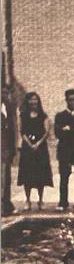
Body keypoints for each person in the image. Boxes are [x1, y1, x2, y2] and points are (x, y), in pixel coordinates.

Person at [17, 91, 53, 210]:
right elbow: (22, 131)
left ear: (38, 101)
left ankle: (41, 200)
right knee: (27, 174)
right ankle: (27, 200)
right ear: (27, 101)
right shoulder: (23, 115)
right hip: (28, 148)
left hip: (40, 148)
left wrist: (38, 143)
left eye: (35, 99)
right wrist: (29, 144)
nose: (33, 102)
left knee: (40, 174)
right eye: (31, 99)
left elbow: (46, 131)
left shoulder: (43, 115)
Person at [1, 84, 16, 216]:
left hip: (6, 149)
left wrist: (13, 149)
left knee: (6, 178)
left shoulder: (9, 108)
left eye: (7, 93)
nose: (5, 96)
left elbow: (12, 130)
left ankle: (6, 204)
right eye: (3, 93)